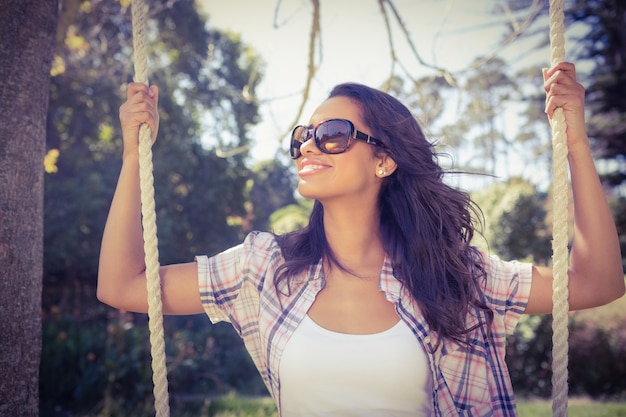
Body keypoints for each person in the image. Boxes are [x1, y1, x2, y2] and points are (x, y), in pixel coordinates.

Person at [98, 61, 624, 416]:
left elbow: (597, 283)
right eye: (303, 136)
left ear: (383, 159)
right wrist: (131, 157)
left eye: (332, 135)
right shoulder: (263, 266)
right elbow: (122, 285)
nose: (309, 146)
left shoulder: (455, 277)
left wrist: (575, 141)